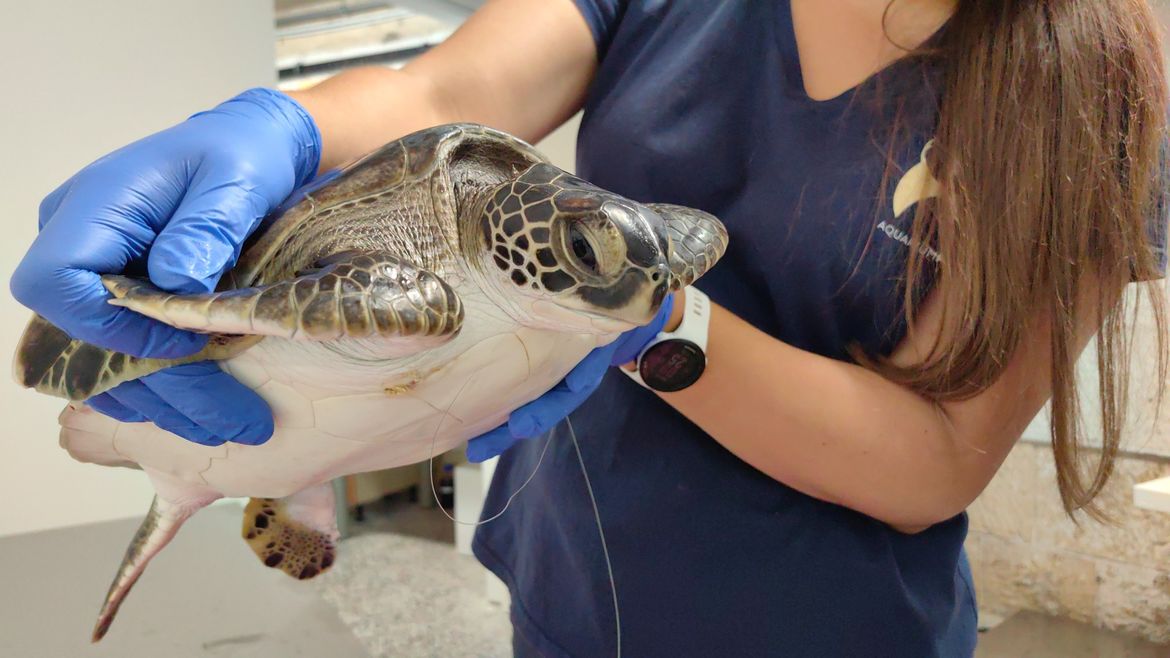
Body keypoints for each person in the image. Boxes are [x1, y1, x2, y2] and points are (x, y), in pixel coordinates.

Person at [12, 0, 1169, 655]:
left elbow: (938, 459)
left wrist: (654, 316)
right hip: (570, 582)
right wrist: (276, 128)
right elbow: (435, 100)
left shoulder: (1090, 81)